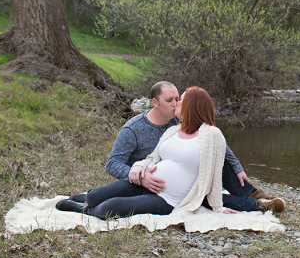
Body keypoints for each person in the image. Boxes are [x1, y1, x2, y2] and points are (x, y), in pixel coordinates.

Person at [57, 82, 284, 215]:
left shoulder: (209, 133)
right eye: (171, 100)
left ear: (191, 106)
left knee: (109, 207)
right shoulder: (167, 129)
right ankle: (87, 198)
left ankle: (83, 210)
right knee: (96, 195)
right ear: (155, 102)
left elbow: (218, 167)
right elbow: (150, 156)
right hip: (144, 182)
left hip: (169, 198)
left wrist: (218, 206)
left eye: (180, 99)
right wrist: (138, 170)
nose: (176, 104)